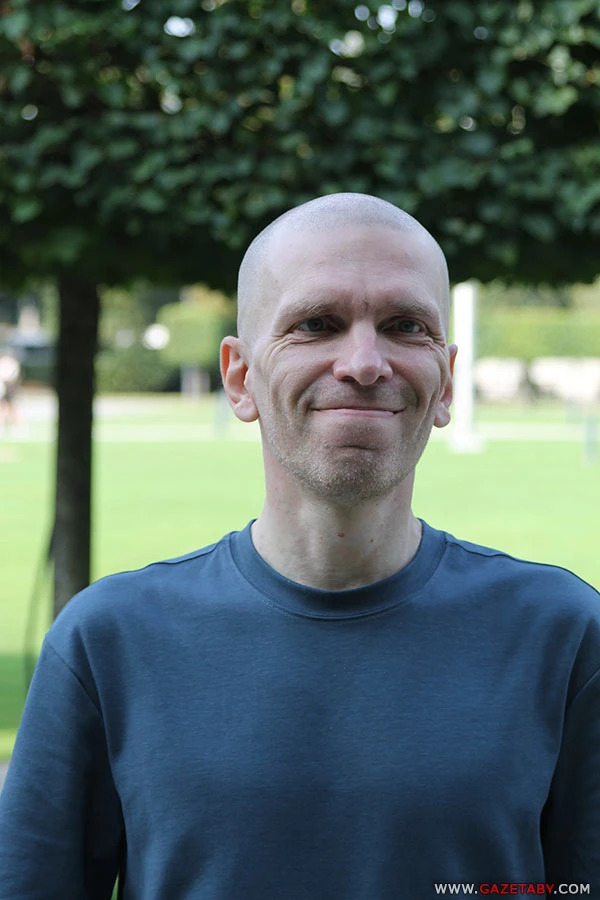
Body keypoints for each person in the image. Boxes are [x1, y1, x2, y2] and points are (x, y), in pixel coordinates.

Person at [0, 193, 598, 899]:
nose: (365, 363)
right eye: (316, 324)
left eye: (406, 326)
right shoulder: (108, 643)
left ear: (446, 383)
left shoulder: (563, 637)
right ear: (240, 378)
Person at [0, 349, 21, 430]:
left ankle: (15, 424)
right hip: (5, 388)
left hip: (9, 388)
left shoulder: (10, 363)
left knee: (12, 406)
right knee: (3, 406)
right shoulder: (5, 362)